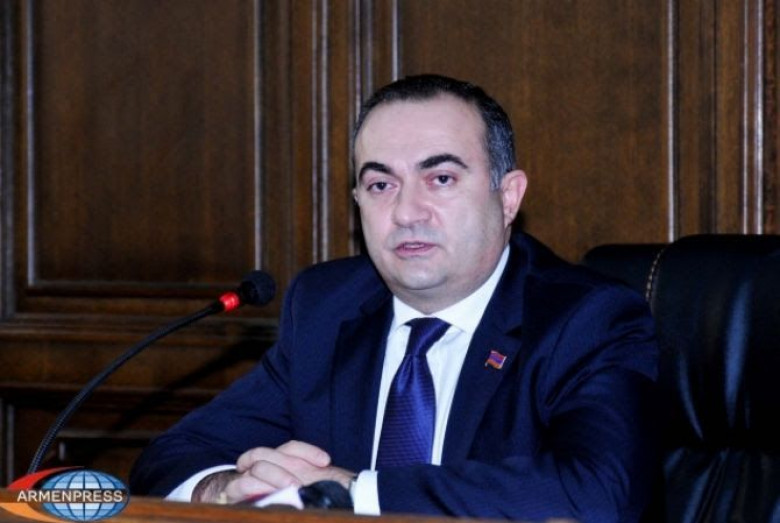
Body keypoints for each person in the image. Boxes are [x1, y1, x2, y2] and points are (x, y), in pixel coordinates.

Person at [130, 74, 658, 523]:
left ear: (508, 196)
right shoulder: (327, 307)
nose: (407, 212)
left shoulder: (583, 319)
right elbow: (171, 456)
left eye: (441, 178)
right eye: (381, 185)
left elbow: (598, 493)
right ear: (357, 201)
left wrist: (352, 494)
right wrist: (225, 488)